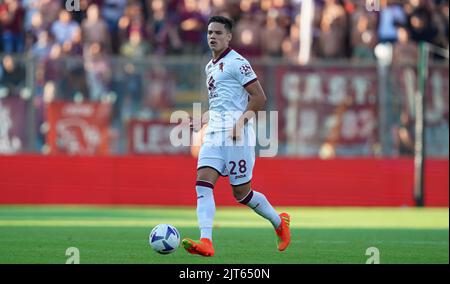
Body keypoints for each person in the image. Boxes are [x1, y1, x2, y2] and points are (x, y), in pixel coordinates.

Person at [181, 16, 291, 257]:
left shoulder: (238, 63)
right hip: (214, 135)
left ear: (229, 36)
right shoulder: (210, 66)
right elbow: (221, 105)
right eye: (210, 32)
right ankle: (206, 241)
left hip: (236, 136)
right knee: (202, 184)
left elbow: (259, 98)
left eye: (218, 33)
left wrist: (240, 124)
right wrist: (203, 119)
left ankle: (279, 223)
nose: (212, 36)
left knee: (242, 194)